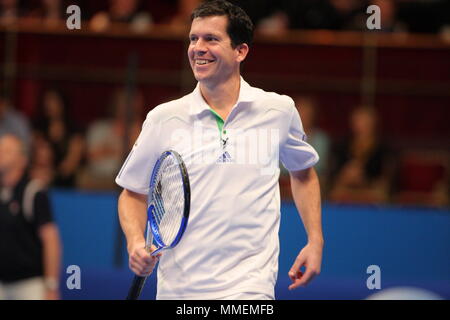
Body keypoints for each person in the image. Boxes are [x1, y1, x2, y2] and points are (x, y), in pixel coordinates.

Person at [116, 0, 323, 300]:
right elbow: (132, 193)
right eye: (193, 39)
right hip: (179, 291)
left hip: (250, 288)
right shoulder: (164, 118)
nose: (198, 47)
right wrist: (135, 243)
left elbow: (303, 173)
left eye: (211, 39)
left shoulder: (278, 110)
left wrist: (315, 240)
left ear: (241, 51)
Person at [0, 134, 61, 300]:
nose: (0, 153)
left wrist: (51, 285)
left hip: (30, 285)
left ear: (22, 159)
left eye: (6, 150)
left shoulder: (34, 192)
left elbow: (51, 240)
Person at [329, 106, 390, 204]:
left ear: (374, 123)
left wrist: (364, 180)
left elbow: (384, 184)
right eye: (358, 121)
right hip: (346, 190)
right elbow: (333, 181)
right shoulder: (341, 147)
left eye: (366, 122)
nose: (361, 125)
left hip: (371, 191)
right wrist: (344, 177)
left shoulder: (383, 150)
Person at [33, 88, 85, 189]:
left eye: (54, 101)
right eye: (47, 101)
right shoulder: (39, 126)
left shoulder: (74, 128)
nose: (49, 105)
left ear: (62, 103)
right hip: (40, 178)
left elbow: (72, 162)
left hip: (65, 180)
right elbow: (37, 156)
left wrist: (54, 175)